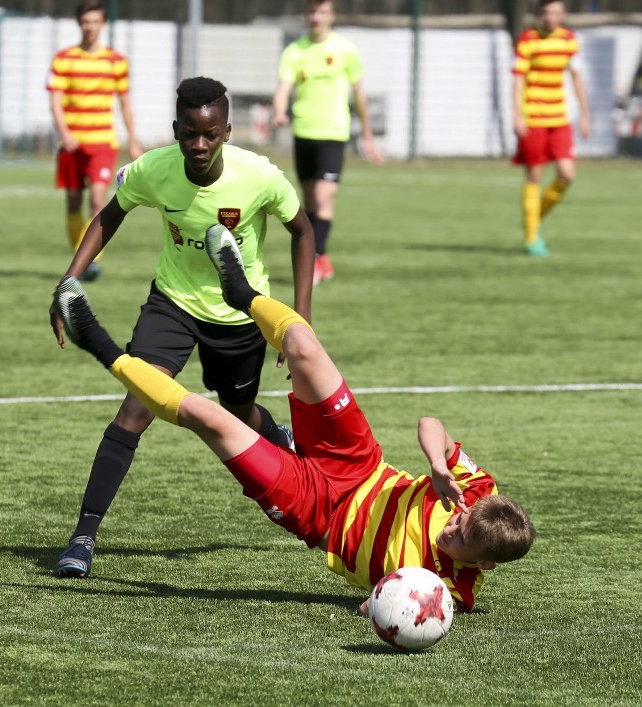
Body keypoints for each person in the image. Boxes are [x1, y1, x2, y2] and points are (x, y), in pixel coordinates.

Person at [51, 224, 535, 611]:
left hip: (319, 511)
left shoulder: (449, 591)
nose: (454, 526)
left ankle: (98, 343)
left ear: (485, 564)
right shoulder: (477, 491)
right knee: (303, 346)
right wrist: (438, 464)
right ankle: (241, 291)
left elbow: (392, 606)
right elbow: (432, 423)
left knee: (211, 418)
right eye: (463, 520)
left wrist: (383, 607)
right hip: (361, 463)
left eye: (463, 537)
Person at [50, 77, 315, 579]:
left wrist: (297, 319)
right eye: (189, 133)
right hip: (171, 305)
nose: (199, 145)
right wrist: (68, 281)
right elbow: (109, 214)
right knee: (137, 406)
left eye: (210, 135)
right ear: (176, 129)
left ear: (227, 132)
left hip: (238, 314)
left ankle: (276, 435)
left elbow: (302, 232)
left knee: (237, 412)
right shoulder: (154, 169)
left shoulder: (258, 177)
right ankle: (83, 537)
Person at [272, 0, 383, 285]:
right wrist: (279, 112)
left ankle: (316, 257)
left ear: (331, 15)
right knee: (309, 201)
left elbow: (359, 94)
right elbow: (283, 88)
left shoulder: (345, 50)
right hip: (304, 132)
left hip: (333, 132)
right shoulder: (294, 51)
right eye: (311, 11)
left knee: (323, 198)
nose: (316, 17)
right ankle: (321, 255)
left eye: (321, 11)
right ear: (305, 15)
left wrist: (368, 135)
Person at [47, 0, 143, 281]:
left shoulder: (116, 61)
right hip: (71, 144)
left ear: (103, 24)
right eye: (85, 22)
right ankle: (82, 258)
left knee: (98, 199)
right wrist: (64, 132)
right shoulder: (64, 58)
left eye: (95, 22)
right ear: (79, 23)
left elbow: (125, 104)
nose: (90, 27)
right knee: (73, 203)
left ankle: (89, 261)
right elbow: (55, 101)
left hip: (102, 142)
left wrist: (133, 140)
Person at [512, 0, 590, 257]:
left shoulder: (569, 40)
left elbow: (576, 77)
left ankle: (533, 219)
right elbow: (518, 79)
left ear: (564, 15)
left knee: (567, 174)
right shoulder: (528, 39)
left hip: (559, 118)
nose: (550, 17)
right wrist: (517, 115)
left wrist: (585, 114)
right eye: (546, 12)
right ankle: (532, 237)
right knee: (534, 174)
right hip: (533, 117)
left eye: (556, 12)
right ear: (539, 14)